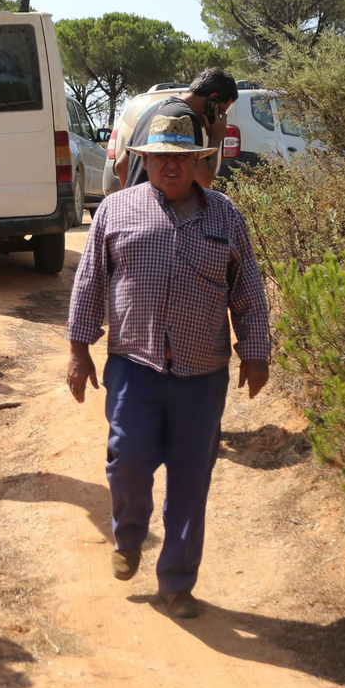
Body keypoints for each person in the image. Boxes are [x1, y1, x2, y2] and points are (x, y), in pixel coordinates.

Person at [66, 113, 272, 620]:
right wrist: (78, 349)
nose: (170, 167)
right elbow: (89, 282)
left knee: (190, 476)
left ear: (199, 162)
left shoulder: (226, 217)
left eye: (181, 158)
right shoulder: (116, 211)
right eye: (160, 157)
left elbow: (247, 289)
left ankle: (177, 582)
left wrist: (256, 351)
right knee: (126, 460)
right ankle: (130, 535)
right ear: (145, 161)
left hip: (202, 373)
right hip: (133, 364)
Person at [115, 68, 240, 190]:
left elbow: (121, 166)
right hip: (161, 209)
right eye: (221, 111)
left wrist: (131, 200)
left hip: (137, 207)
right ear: (213, 99)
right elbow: (204, 180)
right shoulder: (185, 119)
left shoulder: (151, 111)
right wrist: (215, 138)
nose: (219, 118)